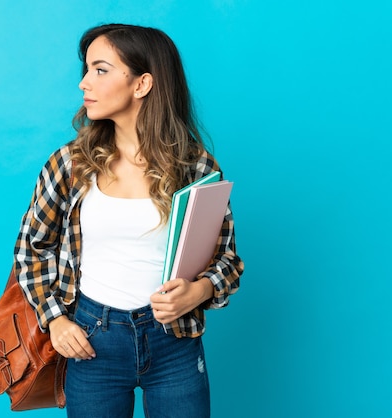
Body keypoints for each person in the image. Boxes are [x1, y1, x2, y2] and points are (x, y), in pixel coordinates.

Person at [15, 23, 244, 418]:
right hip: (91, 339)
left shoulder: (196, 167)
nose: (84, 83)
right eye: (86, 70)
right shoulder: (69, 164)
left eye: (100, 70)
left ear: (142, 84)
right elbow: (31, 249)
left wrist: (199, 292)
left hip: (174, 343)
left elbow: (228, 261)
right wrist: (54, 321)